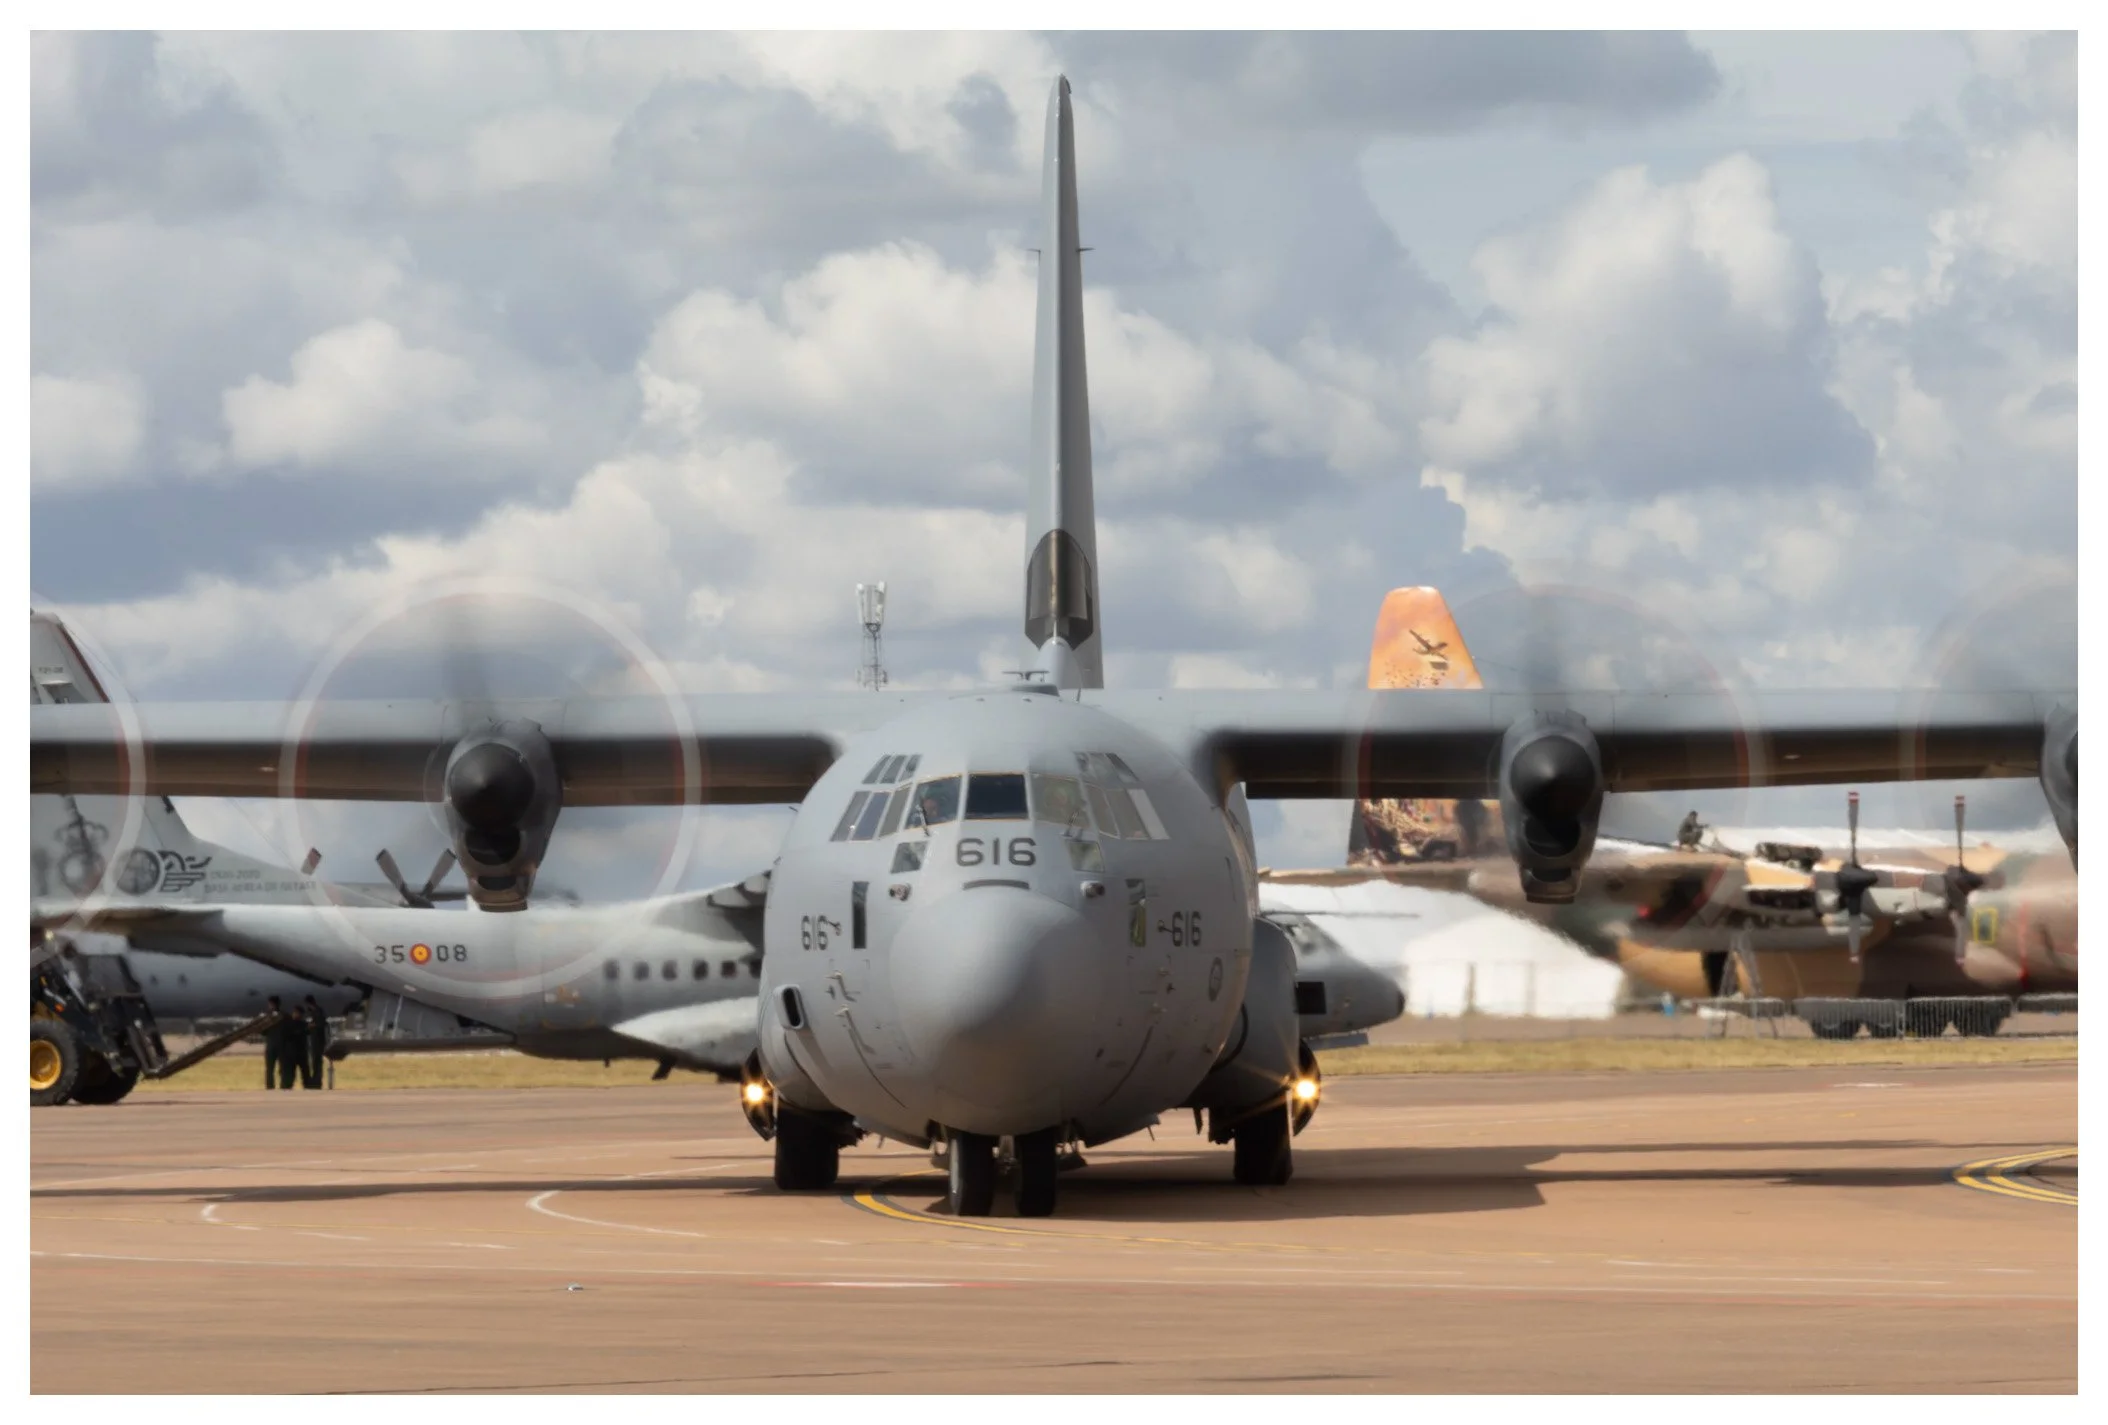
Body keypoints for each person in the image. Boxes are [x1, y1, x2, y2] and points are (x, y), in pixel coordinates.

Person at [261, 996, 293, 1090]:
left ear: (271, 1004)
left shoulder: (267, 1016)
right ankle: (284, 1086)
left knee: (270, 1068)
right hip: (283, 1045)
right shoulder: (286, 1016)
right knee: (283, 1068)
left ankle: (270, 1087)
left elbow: (262, 1031)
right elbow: (290, 1030)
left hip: (271, 1044)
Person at [300, 995, 329, 1089]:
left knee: (317, 1061)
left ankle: (317, 1081)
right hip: (313, 1039)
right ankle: (315, 1080)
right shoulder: (312, 1012)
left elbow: (321, 1024)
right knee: (314, 1061)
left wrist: (312, 1025)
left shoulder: (318, 1012)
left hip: (318, 1040)